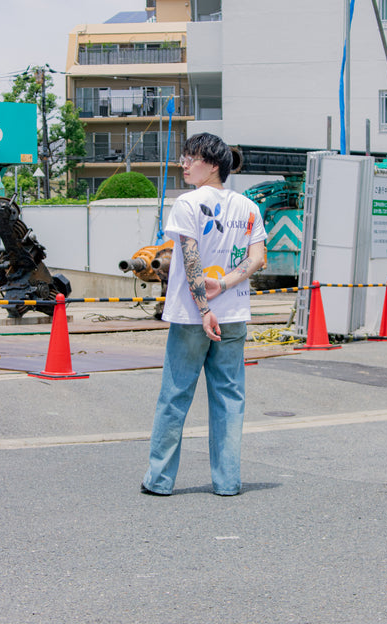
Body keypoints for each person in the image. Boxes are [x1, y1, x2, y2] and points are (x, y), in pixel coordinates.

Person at [141, 132, 267, 496]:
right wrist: (224, 285)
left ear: (212, 165)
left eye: (190, 158)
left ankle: (160, 480)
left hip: (191, 317)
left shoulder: (188, 203)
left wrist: (204, 309)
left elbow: (191, 259)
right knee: (229, 397)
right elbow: (258, 259)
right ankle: (227, 481)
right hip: (234, 313)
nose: (183, 164)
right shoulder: (248, 207)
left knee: (175, 395)